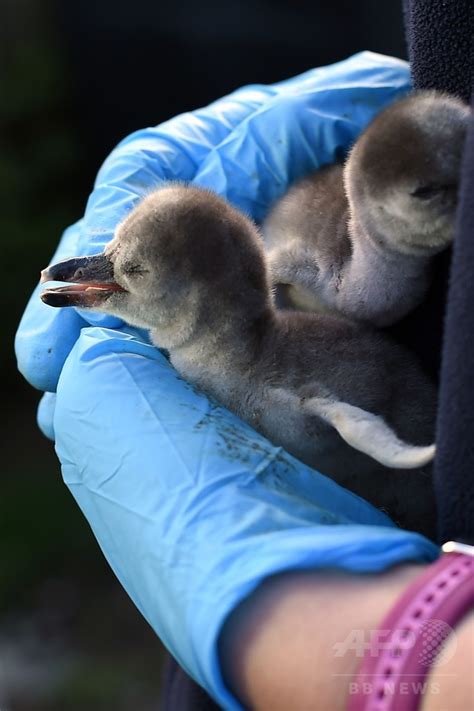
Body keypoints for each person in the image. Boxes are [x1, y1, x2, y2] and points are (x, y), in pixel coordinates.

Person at [15, 1, 474, 709]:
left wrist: (357, 646)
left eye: (130, 272)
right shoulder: (281, 298)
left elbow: (375, 425)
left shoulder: (287, 358)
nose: (93, 276)